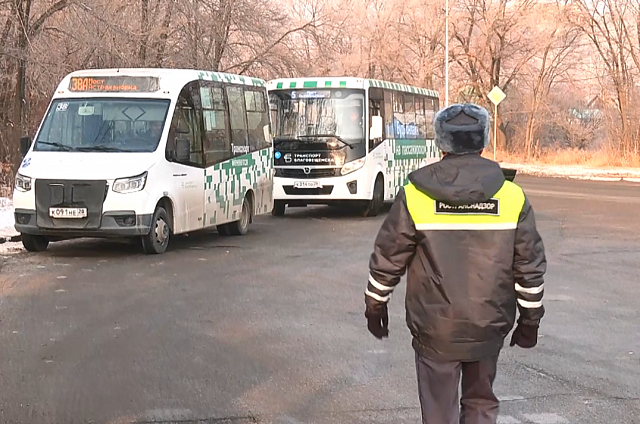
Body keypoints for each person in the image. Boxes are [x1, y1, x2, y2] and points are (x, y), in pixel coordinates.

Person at [363, 103, 547, 424]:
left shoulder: (415, 196)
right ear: (483, 141)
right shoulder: (511, 197)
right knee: (479, 403)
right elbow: (529, 267)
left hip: (435, 330)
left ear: (441, 142)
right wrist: (530, 320)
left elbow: (388, 259)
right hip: (488, 325)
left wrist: (375, 305)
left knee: (438, 412)